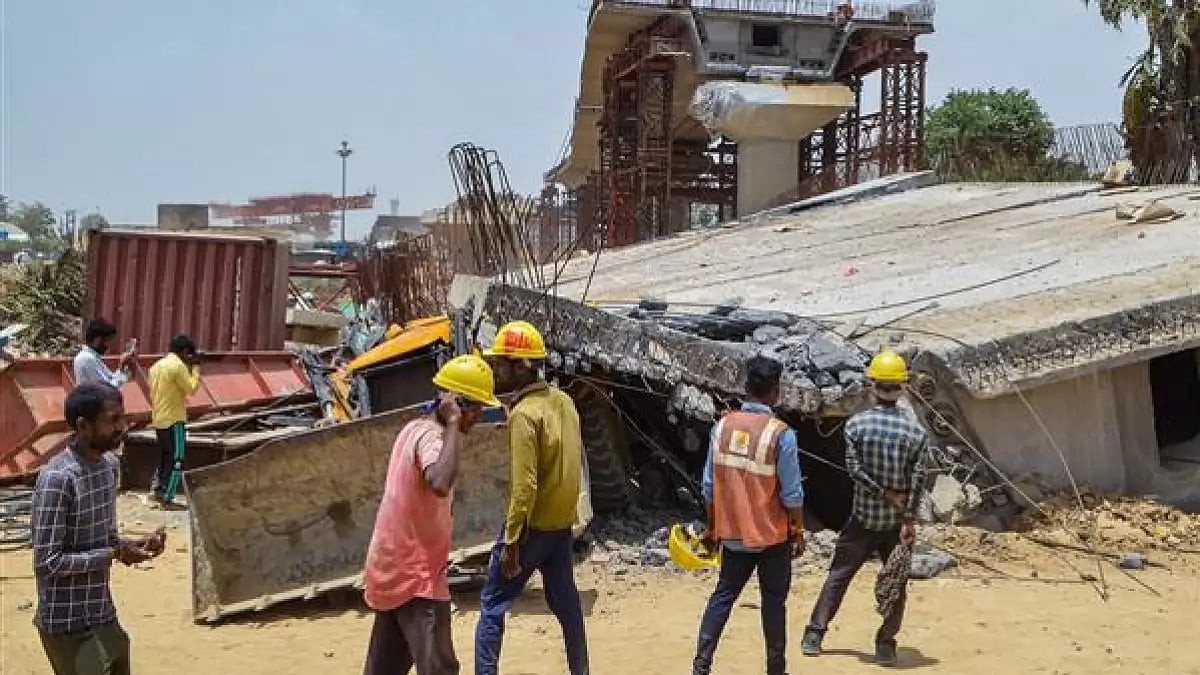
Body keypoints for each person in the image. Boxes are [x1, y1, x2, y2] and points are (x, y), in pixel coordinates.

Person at [362, 354, 501, 675]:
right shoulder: (432, 437)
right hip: (415, 575)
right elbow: (439, 481)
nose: (477, 417)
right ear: (457, 404)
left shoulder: (412, 429)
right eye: (475, 408)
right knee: (440, 668)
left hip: (392, 566)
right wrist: (452, 423)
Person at [474, 321, 589, 675]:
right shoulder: (563, 402)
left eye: (500, 364)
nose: (494, 371)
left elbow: (525, 487)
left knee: (492, 603)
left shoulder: (525, 415)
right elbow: (561, 451)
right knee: (567, 606)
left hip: (531, 529)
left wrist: (511, 541)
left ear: (521, 366)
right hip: (561, 525)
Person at [801, 349, 928, 666]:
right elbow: (918, 478)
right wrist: (907, 515)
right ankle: (885, 643)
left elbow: (855, 472)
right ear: (902, 386)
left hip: (862, 518)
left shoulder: (856, 426)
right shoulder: (916, 433)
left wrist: (882, 493)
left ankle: (815, 634)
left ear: (873, 385)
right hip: (897, 523)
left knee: (839, 576)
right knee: (895, 582)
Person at [32, 383, 167, 675]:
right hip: (67, 623)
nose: (123, 427)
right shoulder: (58, 479)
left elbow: (103, 536)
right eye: (112, 420)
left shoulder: (108, 467)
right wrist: (114, 553)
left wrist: (135, 544)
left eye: (123, 417)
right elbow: (48, 562)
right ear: (83, 426)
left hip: (101, 613)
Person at [691, 356, 805, 675]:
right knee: (773, 603)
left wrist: (715, 530)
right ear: (776, 391)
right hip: (772, 538)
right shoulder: (782, 435)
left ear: (747, 388)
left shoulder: (722, 427)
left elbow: (709, 488)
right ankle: (775, 668)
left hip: (733, 535)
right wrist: (798, 530)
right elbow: (792, 495)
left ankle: (701, 665)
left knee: (723, 596)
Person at [147, 334, 201, 505]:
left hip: (159, 418)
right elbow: (192, 388)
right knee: (177, 459)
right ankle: (168, 495)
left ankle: (158, 488)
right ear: (185, 351)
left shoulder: (156, 367)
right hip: (175, 419)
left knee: (165, 456)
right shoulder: (178, 367)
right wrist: (196, 368)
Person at [73, 319, 137, 389]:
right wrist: (121, 366)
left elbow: (110, 380)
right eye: (108, 340)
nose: (109, 346)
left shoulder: (91, 357)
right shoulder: (86, 359)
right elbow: (108, 389)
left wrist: (124, 365)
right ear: (97, 340)